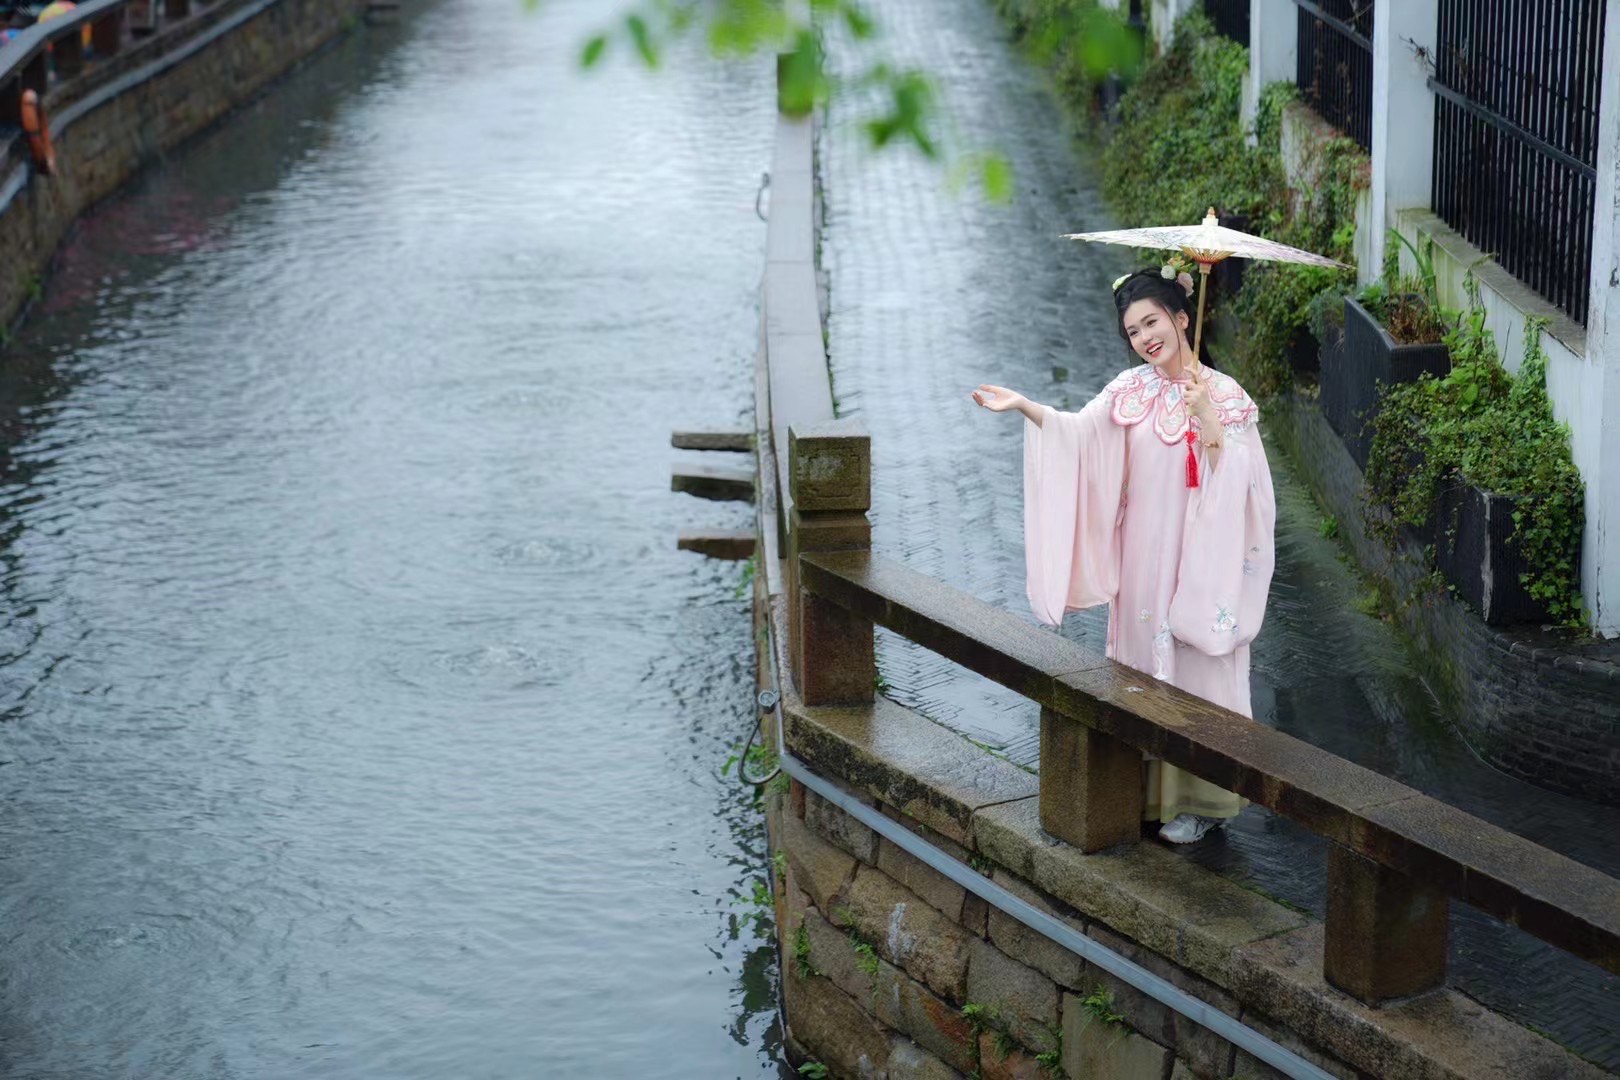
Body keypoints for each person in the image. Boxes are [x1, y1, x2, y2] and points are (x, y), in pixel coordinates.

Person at [971, 266, 1276, 844]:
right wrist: (1025, 408)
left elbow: (1250, 488)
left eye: (1153, 322)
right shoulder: (1129, 389)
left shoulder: (1228, 396)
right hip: (1141, 562)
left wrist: (1208, 418)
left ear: (1182, 318)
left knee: (1196, 672)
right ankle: (1139, 786)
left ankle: (1200, 801)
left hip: (1197, 561)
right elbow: (1079, 436)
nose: (1144, 338)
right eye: (1134, 330)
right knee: (1141, 665)